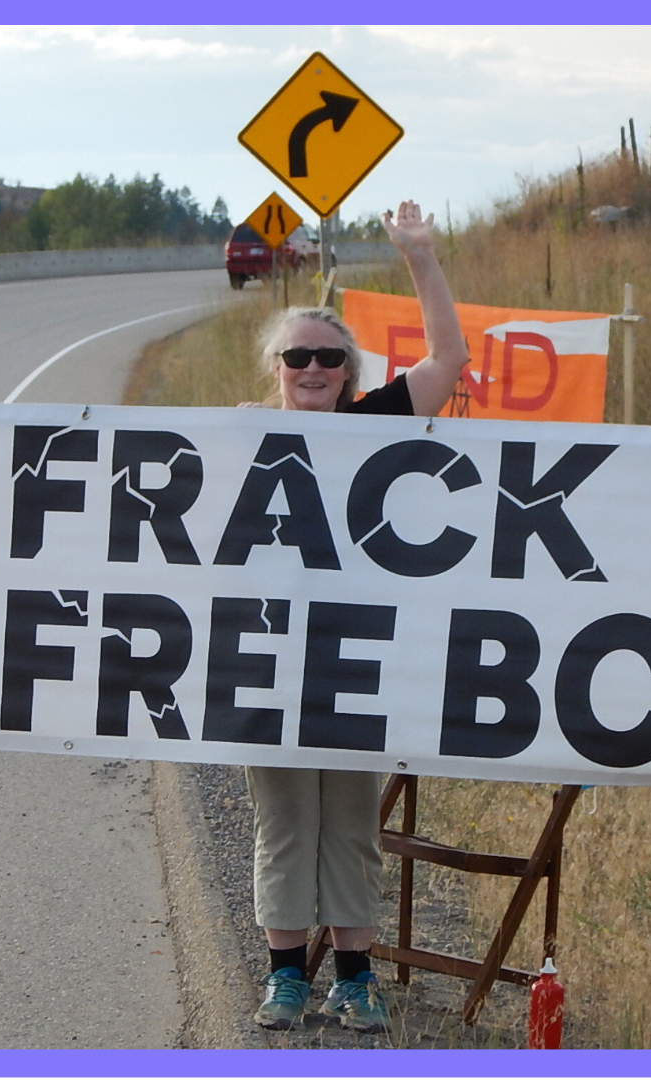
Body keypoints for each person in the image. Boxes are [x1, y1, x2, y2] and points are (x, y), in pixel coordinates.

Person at [239, 200, 470, 1034]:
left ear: (349, 367)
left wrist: (419, 256)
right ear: (276, 366)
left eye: (328, 357)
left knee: (350, 825)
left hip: (358, 657)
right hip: (266, 659)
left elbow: (449, 358)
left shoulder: (379, 421)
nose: (313, 367)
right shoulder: (238, 438)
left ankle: (355, 978)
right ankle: (284, 979)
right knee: (286, 821)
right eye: (297, 355)